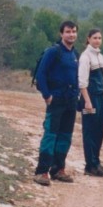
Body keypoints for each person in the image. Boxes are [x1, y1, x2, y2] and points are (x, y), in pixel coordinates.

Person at [32, 21, 80, 186]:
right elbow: (41, 74)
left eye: (74, 31)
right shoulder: (53, 52)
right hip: (56, 99)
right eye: (68, 32)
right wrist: (47, 96)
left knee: (65, 136)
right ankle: (42, 171)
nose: (71, 34)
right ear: (61, 34)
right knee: (51, 135)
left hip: (70, 101)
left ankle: (58, 169)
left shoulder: (75, 54)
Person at [79, 28, 103, 177]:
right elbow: (82, 82)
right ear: (89, 39)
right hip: (90, 97)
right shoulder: (85, 57)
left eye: (99, 38)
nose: (97, 40)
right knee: (89, 131)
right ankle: (89, 165)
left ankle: (96, 162)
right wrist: (87, 101)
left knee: (99, 130)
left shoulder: (100, 56)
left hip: (100, 97)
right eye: (95, 38)